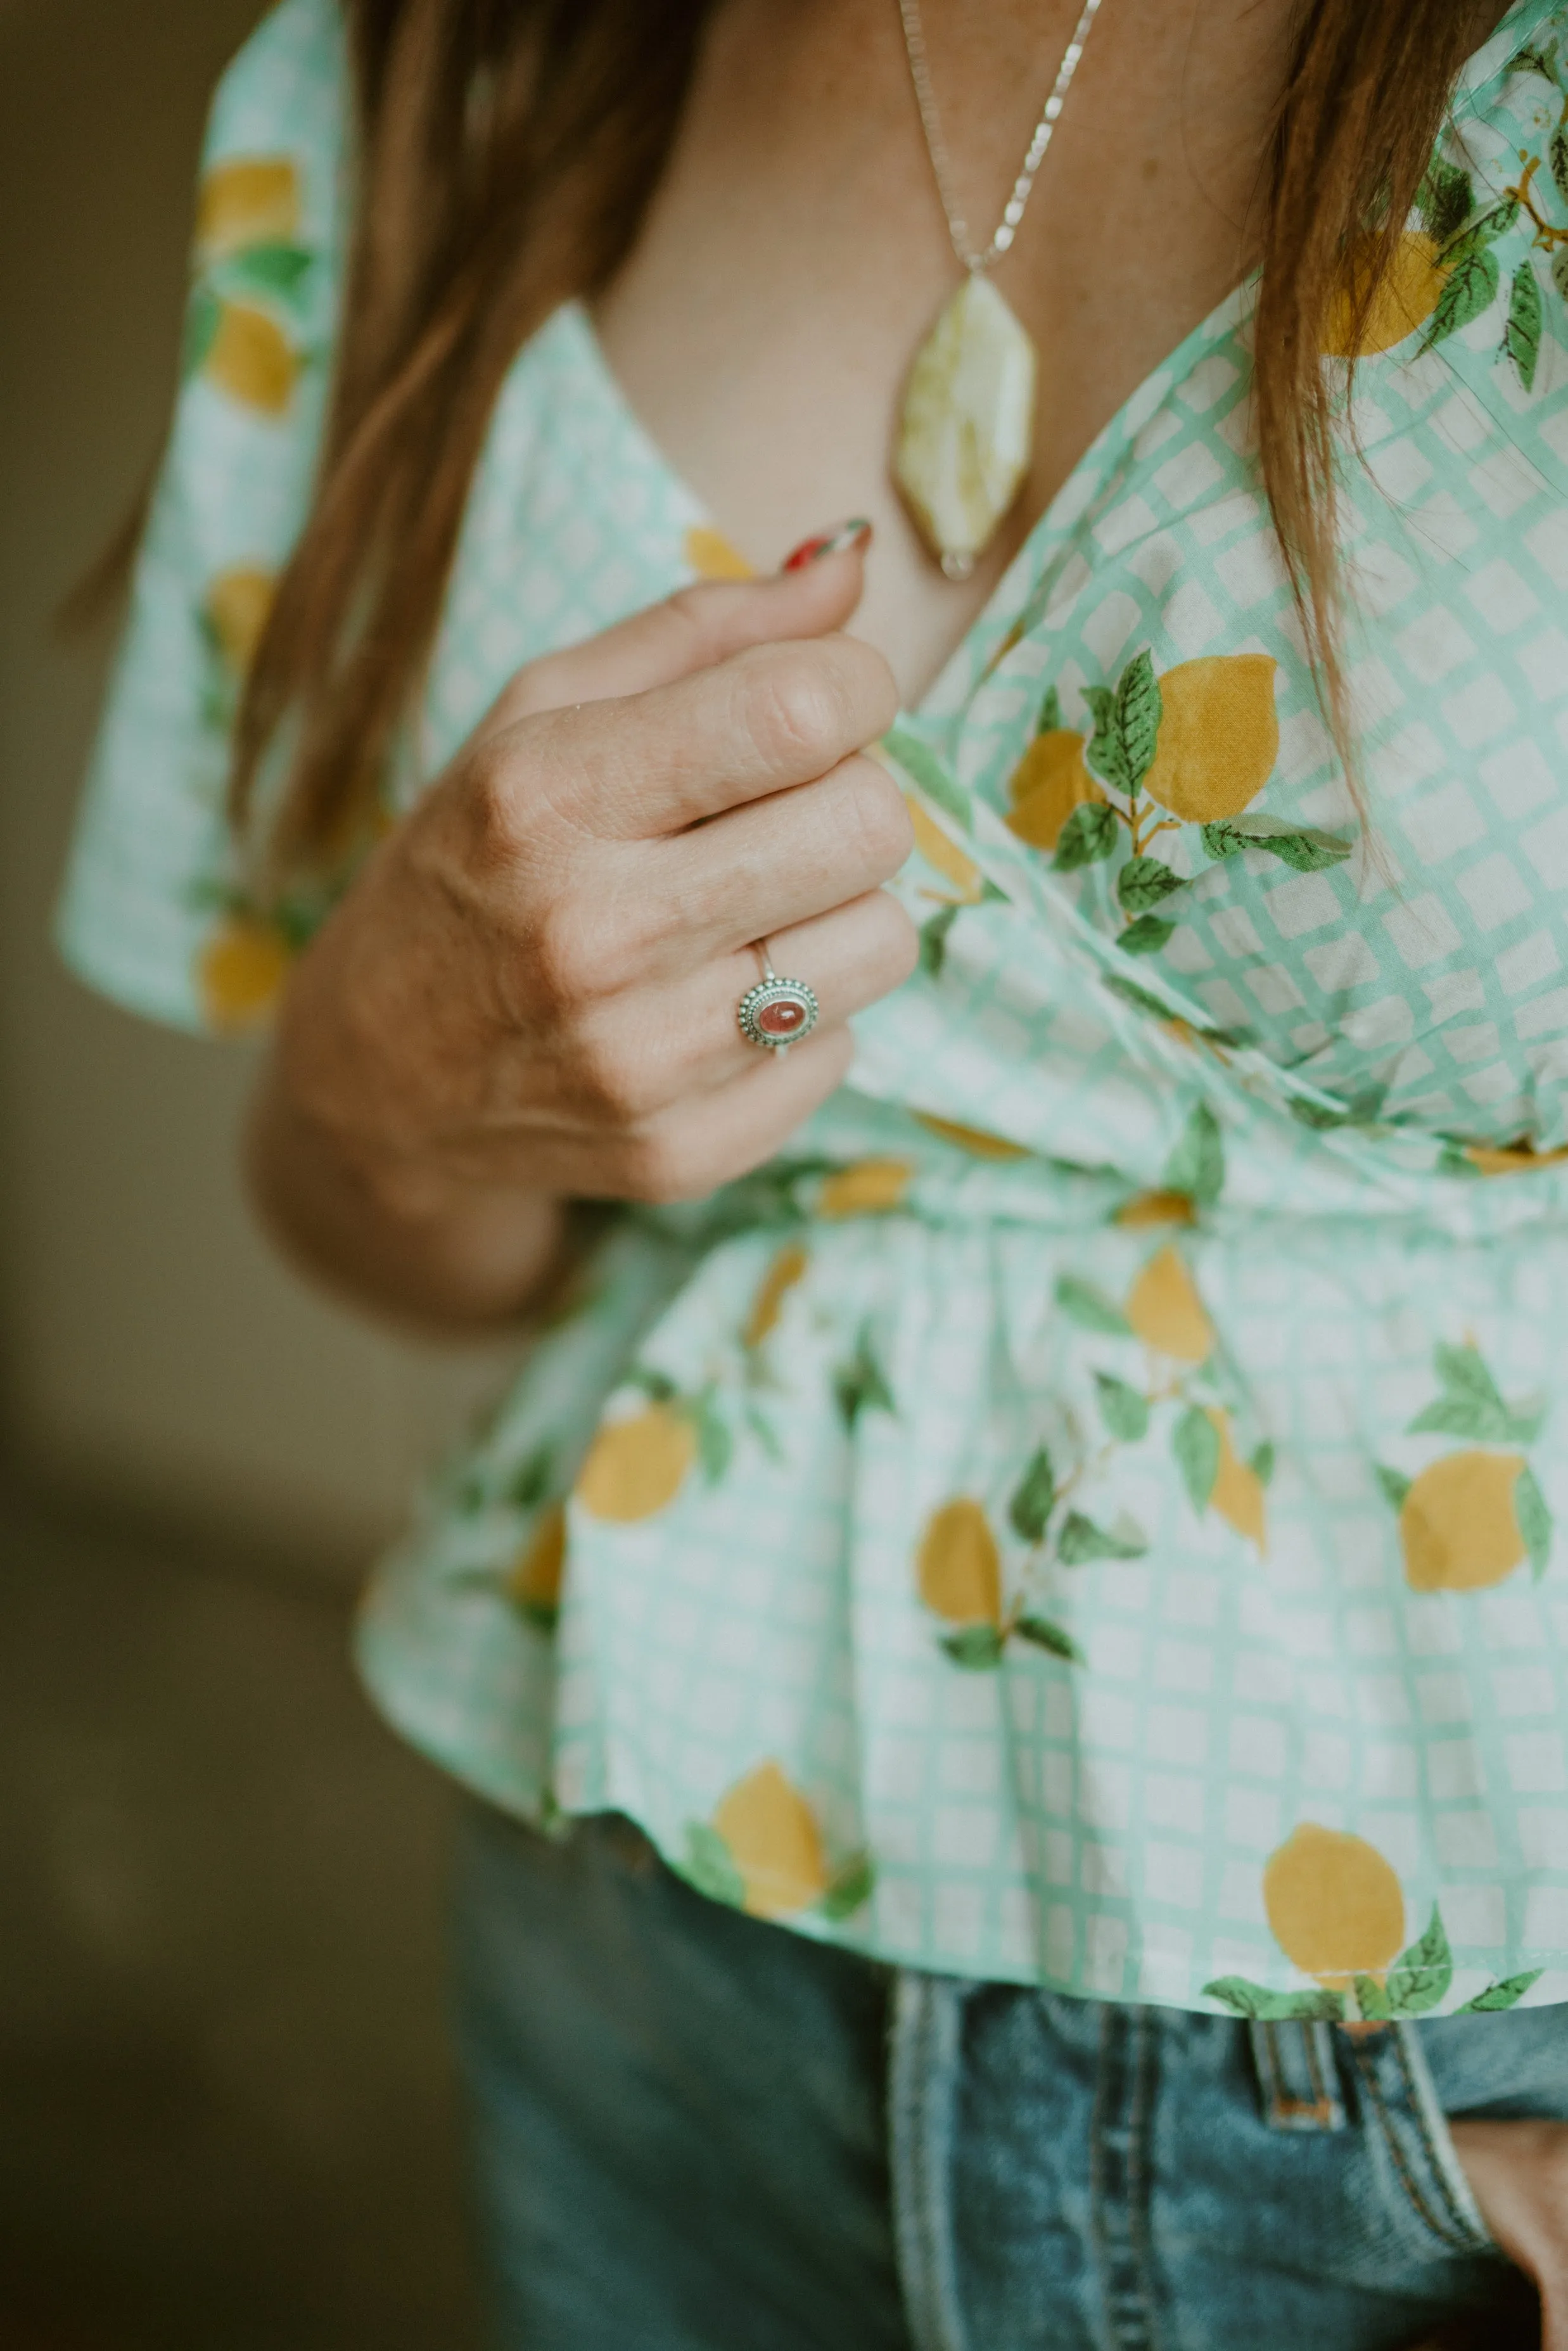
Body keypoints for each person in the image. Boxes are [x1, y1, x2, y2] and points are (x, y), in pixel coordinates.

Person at [58, 0, 1568, 2339]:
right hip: (657, 1956)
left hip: (1490, 2072)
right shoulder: (423, 77)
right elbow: (400, 1231)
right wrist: (387, 1052)